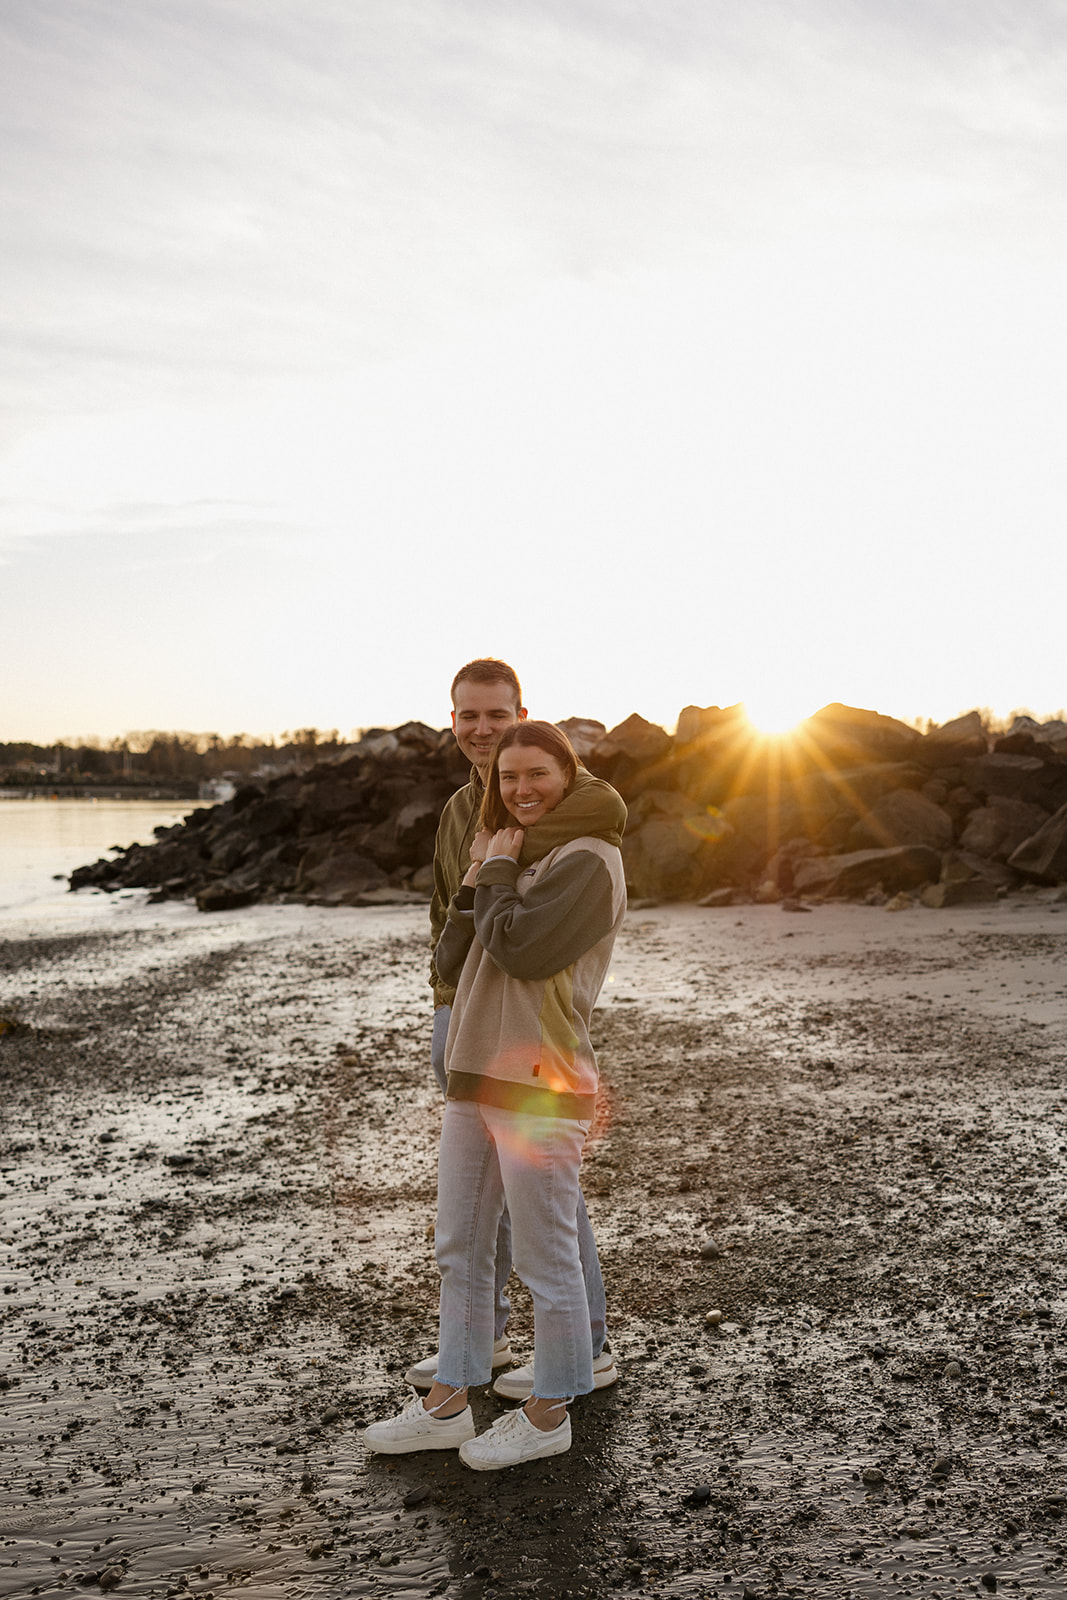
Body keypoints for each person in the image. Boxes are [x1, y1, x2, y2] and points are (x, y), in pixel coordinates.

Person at [363, 721, 627, 1467]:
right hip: (474, 1073)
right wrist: (482, 876)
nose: (520, 789)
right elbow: (452, 950)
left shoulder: (589, 858)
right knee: (459, 1245)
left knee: (546, 1259)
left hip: (539, 1081)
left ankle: (549, 1413)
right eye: (507, 779)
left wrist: (500, 873)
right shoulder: (506, 849)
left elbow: (523, 948)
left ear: (567, 775)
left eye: (537, 774)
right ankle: (448, 1398)